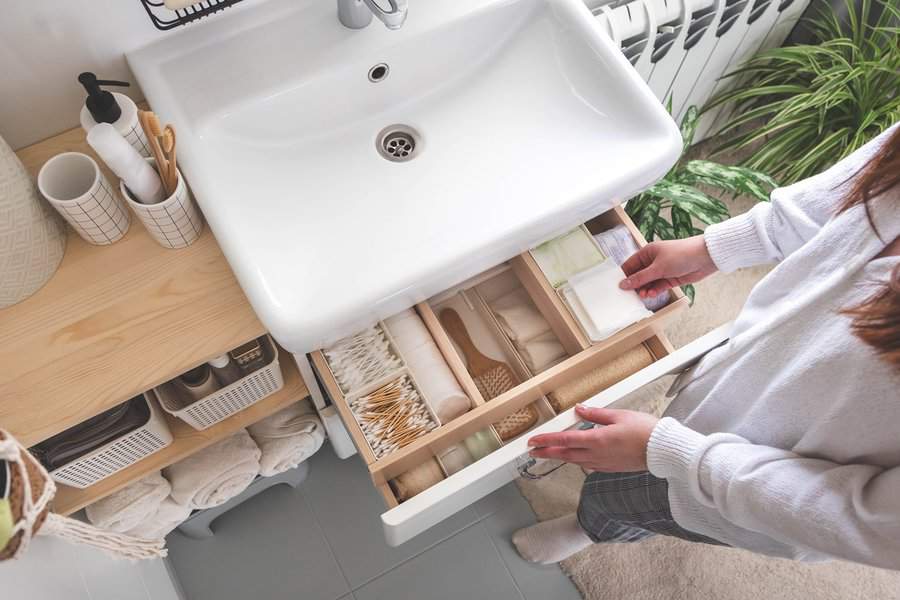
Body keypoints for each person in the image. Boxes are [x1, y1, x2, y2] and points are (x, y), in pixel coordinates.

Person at [512, 122, 900, 569]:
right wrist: (714, 248)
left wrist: (674, 454)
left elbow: (865, 523)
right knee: (642, 464)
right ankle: (605, 512)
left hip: (759, 487)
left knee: (626, 500)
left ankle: (588, 526)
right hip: (739, 380)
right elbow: (839, 194)